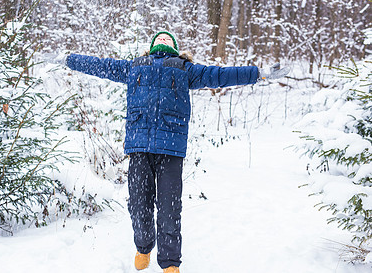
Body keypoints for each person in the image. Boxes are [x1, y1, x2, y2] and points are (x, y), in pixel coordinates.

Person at [64, 31, 289, 273]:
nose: (162, 39)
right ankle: (143, 247)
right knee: (139, 206)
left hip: (170, 148)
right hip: (139, 148)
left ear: (175, 47)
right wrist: (69, 60)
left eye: (167, 38)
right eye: (158, 38)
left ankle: (170, 263)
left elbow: (220, 75)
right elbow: (100, 65)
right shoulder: (134, 67)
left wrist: (258, 74)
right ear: (150, 47)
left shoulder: (186, 70)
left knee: (169, 210)